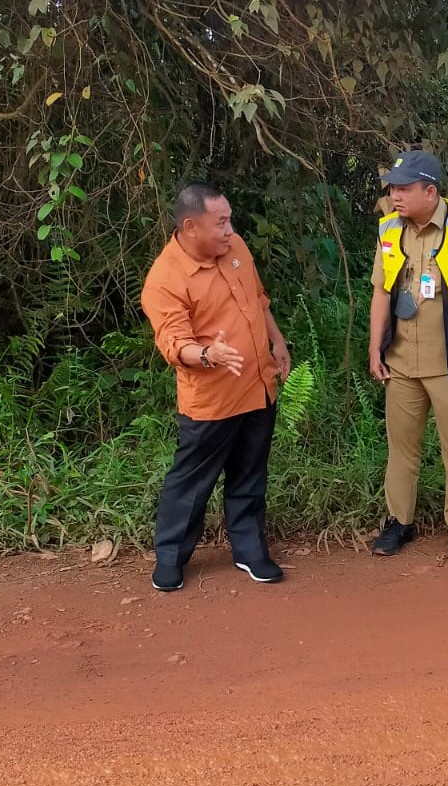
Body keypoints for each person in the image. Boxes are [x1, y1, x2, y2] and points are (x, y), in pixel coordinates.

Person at [141, 182, 291, 592]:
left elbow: (259, 300)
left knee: (250, 474)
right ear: (191, 226)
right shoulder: (165, 279)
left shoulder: (237, 247)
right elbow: (173, 343)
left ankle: (249, 550)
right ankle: (170, 557)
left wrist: (277, 342)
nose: (230, 230)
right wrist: (209, 356)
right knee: (190, 483)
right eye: (221, 223)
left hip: (259, 385)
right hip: (211, 400)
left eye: (230, 221)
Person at [368, 150, 448, 559]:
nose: (395, 197)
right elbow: (381, 291)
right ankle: (398, 522)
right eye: (392, 189)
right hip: (402, 360)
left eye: (404, 189)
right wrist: (375, 347)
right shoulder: (389, 229)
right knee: (401, 447)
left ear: (430, 191)